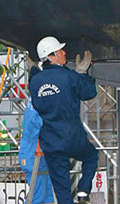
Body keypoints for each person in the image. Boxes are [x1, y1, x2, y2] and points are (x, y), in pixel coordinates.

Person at [30, 36, 98, 204]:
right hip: (72, 136)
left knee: (62, 191)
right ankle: (83, 190)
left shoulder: (35, 81)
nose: (64, 52)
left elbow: (38, 104)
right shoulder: (68, 76)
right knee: (91, 156)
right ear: (51, 56)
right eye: (60, 51)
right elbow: (90, 92)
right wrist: (83, 73)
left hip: (51, 140)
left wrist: (33, 70)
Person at [19, 98, 55, 204]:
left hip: (41, 153)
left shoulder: (39, 98)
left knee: (48, 195)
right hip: (34, 152)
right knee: (38, 195)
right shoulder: (40, 100)